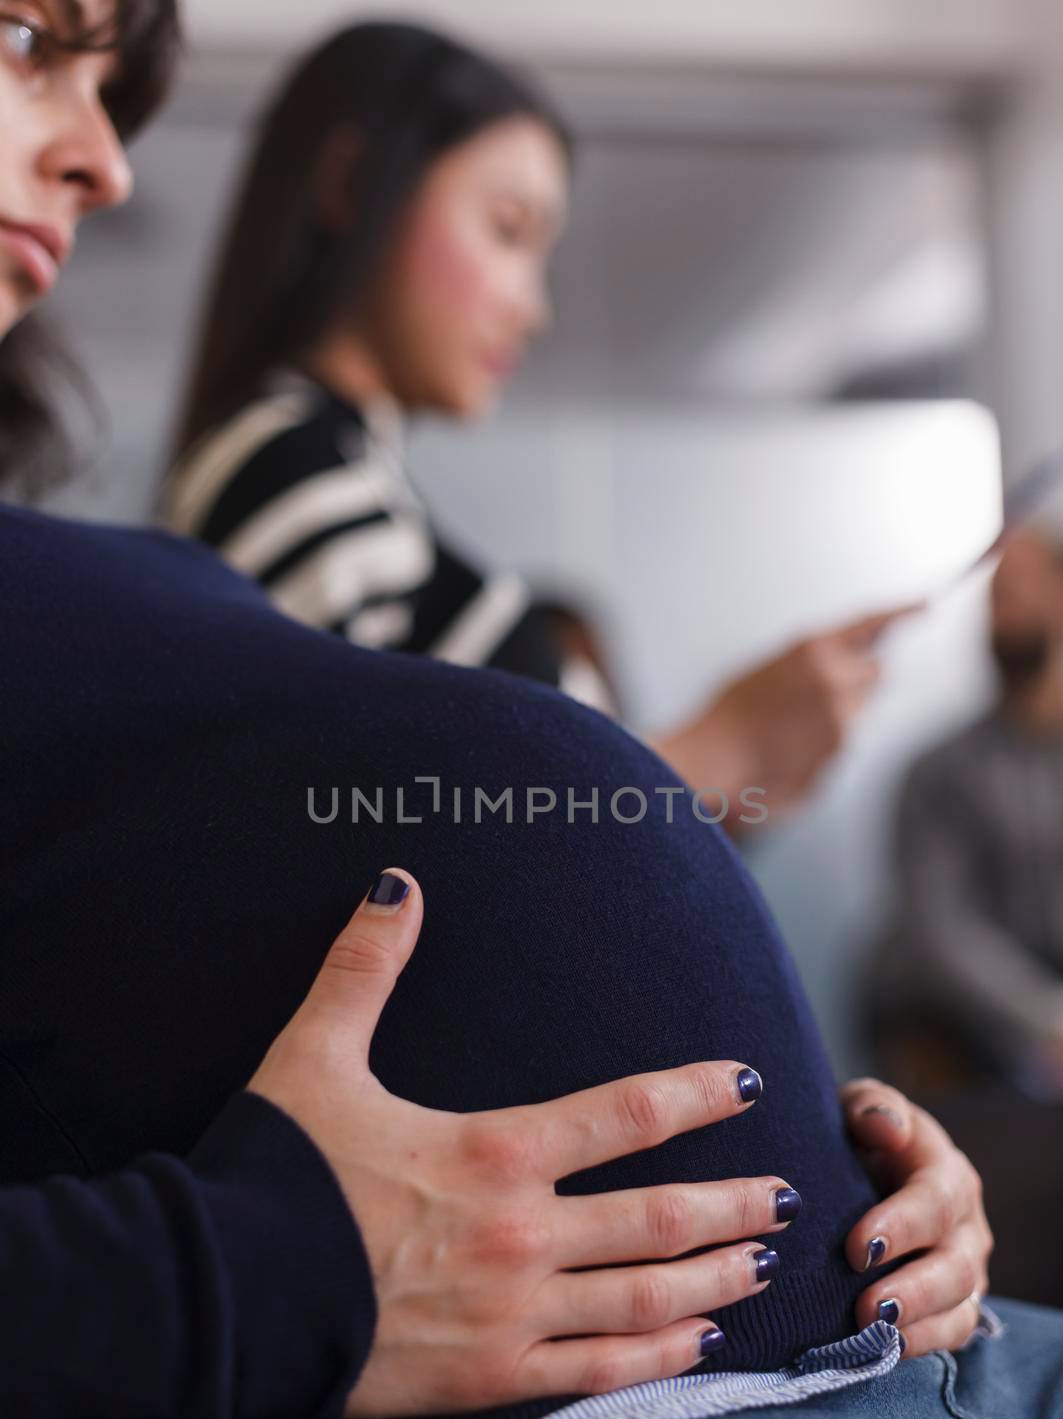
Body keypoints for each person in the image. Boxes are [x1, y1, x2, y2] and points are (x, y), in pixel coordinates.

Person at [1, 7, 1062, 1419]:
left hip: (861, 1338)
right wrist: (245, 1280)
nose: (106, 160)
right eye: (26, 41)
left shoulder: (129, 566)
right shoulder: (281, 487)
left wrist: (849, 1167)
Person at [161, 20, 911, 828]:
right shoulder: (290, 471)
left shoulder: (337, 477)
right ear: (353, 182)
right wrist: (713, 750)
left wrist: (727, 775)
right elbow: (353, 839)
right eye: (507, 229)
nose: (533, 308)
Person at [865, 526, 1063, 1100]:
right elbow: (939, 927)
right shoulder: (940, 771)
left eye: (1024, 586)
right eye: (995, 593)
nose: (1003, 610)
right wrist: (1049, 1023)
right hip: (967, 1035)